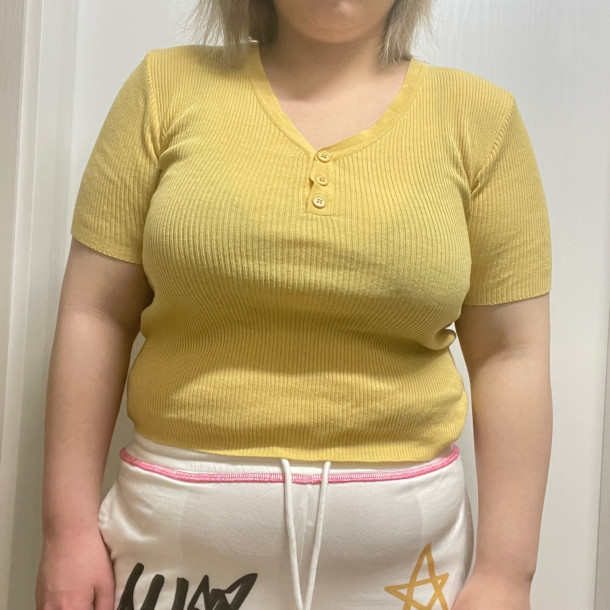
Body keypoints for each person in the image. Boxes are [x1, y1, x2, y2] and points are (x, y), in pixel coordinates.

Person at [35, 0, 553, 608]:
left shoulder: (482, 119)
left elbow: (512, 353)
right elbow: (95, 313)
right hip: (174, 558)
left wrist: (506, 573)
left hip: (408, 571)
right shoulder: (163, 88)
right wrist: (66, 532)